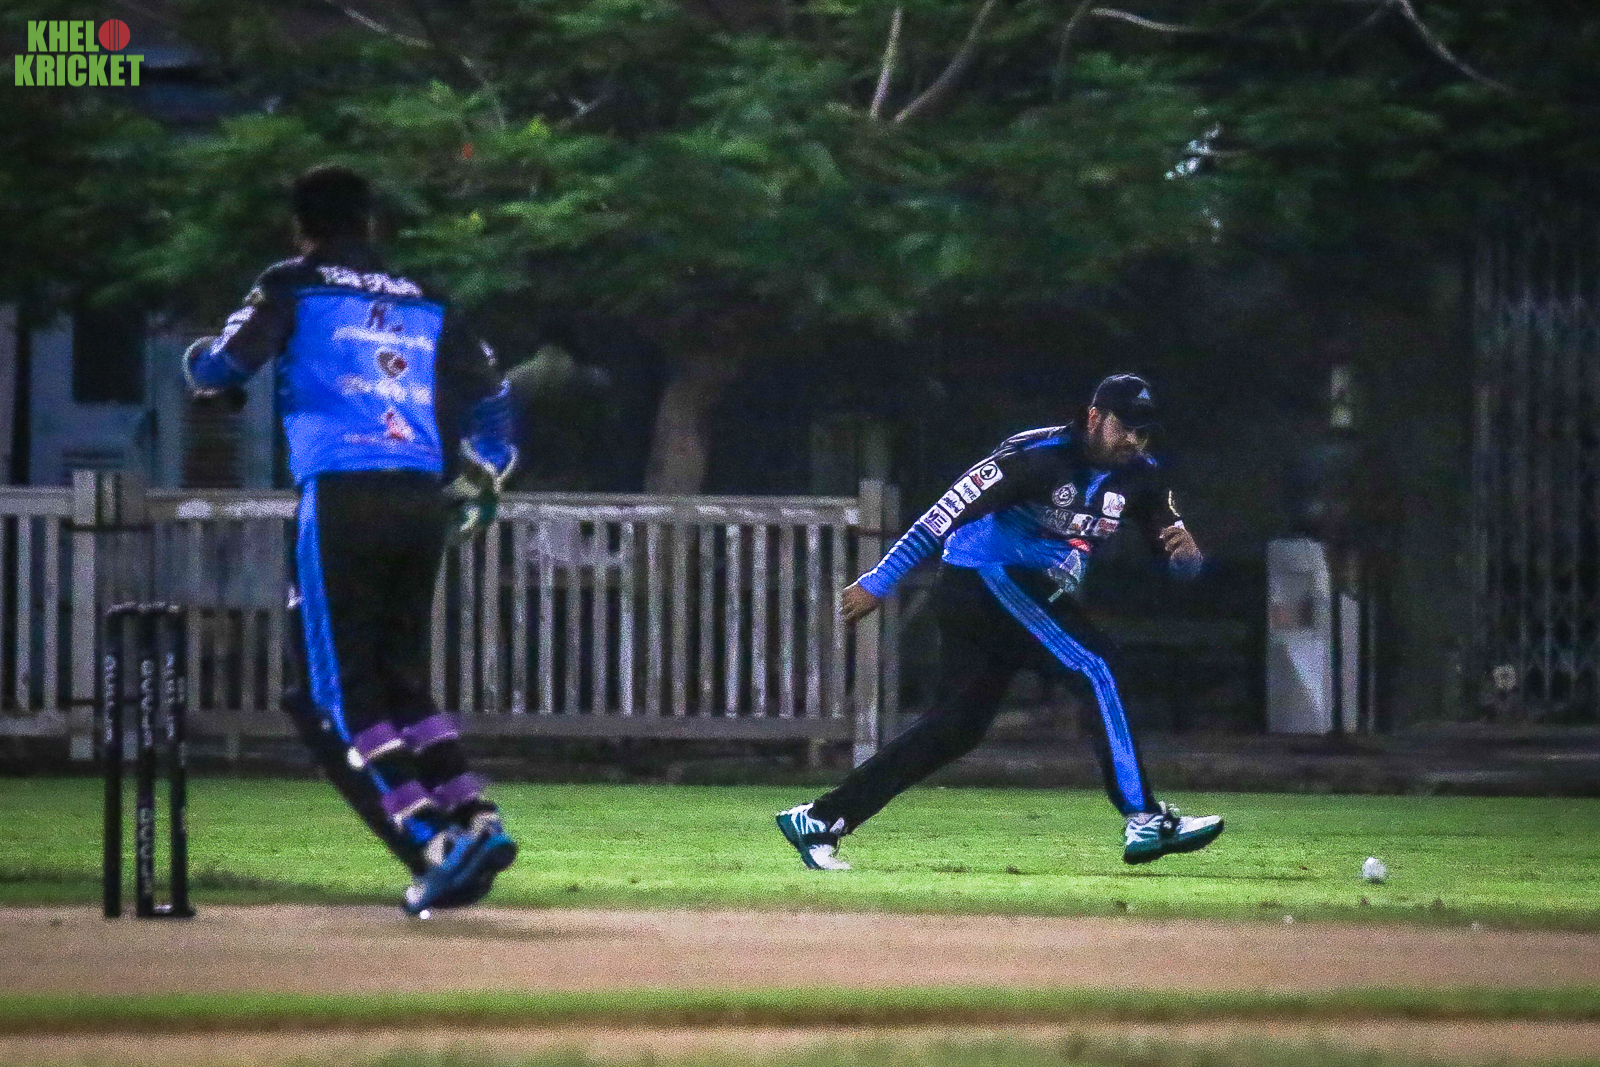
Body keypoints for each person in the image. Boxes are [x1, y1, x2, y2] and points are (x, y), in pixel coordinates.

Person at [182, 166, 519, 915]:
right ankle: (476, 817)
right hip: (421, 495)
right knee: (404, 676)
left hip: (342, 492)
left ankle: (432, 838)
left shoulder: (292, 283)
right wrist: (487, 468)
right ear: (371, 223)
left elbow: (225, 362)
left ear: (300, 227)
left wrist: (200, 366)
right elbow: (495, 394)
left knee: (340, 691)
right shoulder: (426, 295)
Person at [777, 374, 1223, 870]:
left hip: (1014, 591)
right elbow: (943, 515)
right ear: (1094, 416)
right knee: (1100, 667)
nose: (1134, 441)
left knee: (956, 728)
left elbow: (1176, 560)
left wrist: (1188, 557)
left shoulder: (1142, 475)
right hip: (988, 577)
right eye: (1125, 427)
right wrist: (879, 581)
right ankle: (1144, 817)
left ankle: (820, 819)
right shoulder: (1034, 456)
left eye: (1143, 431)